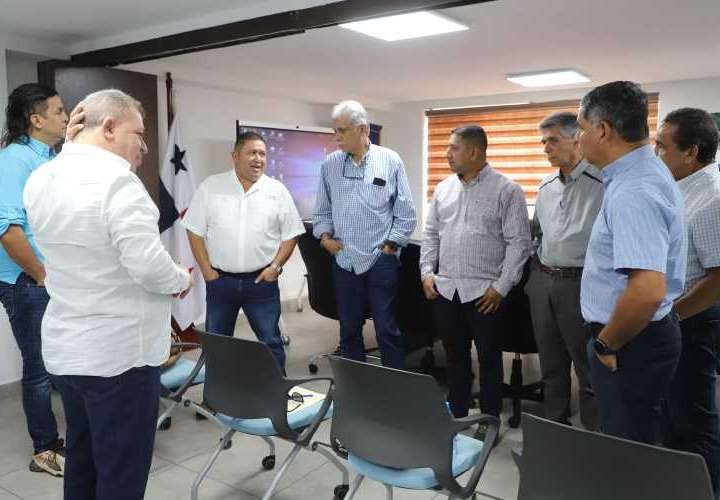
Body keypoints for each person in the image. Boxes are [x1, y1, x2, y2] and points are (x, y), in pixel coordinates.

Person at [24, 89, 191, 500]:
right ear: (110, 127)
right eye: (139, 134)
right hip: (119, 359)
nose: (143, 147)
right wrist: (180, 278)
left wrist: (68, 147)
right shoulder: (120, 184)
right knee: (122, 473)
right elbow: (149, 267)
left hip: (68, 352)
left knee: (82, 458)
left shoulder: (42, 177)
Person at [578, 81, 687, 445]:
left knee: (629, 449)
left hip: (629, 342)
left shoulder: (635, 189)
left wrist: (606, 345)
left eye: (581, 128)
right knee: (636, 440)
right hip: (637, 338)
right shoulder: (637, 175)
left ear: (603, 130)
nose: (579, 138)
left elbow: (646, 292)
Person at [420, 125, 532, 421]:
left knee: (489, 360)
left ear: (474, 151)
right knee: (455, 359)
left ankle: (488, 420)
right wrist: (426, 272)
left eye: (453, 148)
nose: (447, 155)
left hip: (485, 294)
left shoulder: (507, 190)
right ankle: (457, 415)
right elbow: (431, 234)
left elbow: (519, 244)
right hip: (446, 290)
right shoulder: (443, 188)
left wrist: (502, 287)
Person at [184, 131, 305, 370]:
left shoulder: (277, 190)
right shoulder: (211, 187)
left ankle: (276, 397)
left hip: (262, 283)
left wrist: (275, 267)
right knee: (218, 344)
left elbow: (292, 233)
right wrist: (208, 272)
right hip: (221, 282)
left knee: (271, 343)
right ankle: (217, 398)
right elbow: (194, 230)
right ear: (235, 156)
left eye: (262, 154)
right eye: (252, 153)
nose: (258, 159)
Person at [313, 100, 416, 369]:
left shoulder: (390, 160)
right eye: (334, 131)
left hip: (380, 260)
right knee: (348, 329)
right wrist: (325, 239)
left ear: (363, 129)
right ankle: (357, 390)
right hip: (345, 260)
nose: (336, 138)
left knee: (386, 329)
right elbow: (321, 212)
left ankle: (393, 386)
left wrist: (390, 247)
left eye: (342, 131)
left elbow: (405, 213)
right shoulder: (329, 165)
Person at [0, 83, 68, 476]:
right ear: (36, 119)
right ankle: (44, 449)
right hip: (28, 283)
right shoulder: (15, 159)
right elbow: (8, 230)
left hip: (48, 279)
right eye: (59, 111)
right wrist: (41, 276)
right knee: (40, 368)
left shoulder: (50, 159)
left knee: (61, 361)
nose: (65, 116)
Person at [656, 107, 720, 497]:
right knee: (671, 414)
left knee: (694, 419)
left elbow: (717, 279)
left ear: (691, 152)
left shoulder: (711, 198)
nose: (656, 154)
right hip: (672, 317)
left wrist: (671, 317)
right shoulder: (682, 188)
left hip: (692, 320)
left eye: (662, 147)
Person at [525, 112, 602, 430]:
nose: (546, 147)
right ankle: (554, 432)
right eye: (543, 141)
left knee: (589, 372)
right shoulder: (545, 186)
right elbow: (536, 233)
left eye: (553, 140)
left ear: (577, 138)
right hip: (544, 282)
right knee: (551, 366)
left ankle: (593, 441)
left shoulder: (603, 183)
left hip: (581, 284)